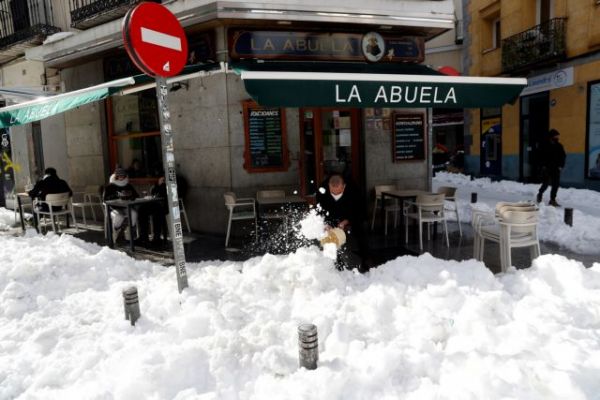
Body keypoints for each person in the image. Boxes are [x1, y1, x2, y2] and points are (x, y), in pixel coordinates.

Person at [316, 174, 368, 272]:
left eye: (339, 193)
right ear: (328, 186)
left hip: (349, 215)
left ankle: (362, 264)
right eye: (333, 193)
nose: (336, 195)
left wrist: (346, 221)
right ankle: (332, 265)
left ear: (344, 186)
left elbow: (359, 210)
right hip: (330, 217)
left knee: (359, 235)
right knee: (327, 239)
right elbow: (320, 210)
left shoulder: (354, 190)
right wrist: (326, 223)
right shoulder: (322, 191)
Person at [137, 173, 189, 248]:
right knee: (142, 209)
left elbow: (172, 194)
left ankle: (157, 238)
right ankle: (143, 236)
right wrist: (158, 184)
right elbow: (154, 192)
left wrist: (162, 186)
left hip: (169, 205)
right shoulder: (162, 183)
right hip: (157, 203)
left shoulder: (178, 181)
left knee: (157, 212)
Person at [103, 167, 139, 238]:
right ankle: (115, 230)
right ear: (116, 176)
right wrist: (116, 196)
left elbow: (136, 195)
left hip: (126, 207)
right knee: (119, 216)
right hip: (113, 208)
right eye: (119, 176)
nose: (121, 177)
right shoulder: (110, 186)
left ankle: (129, 231)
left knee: (134, 213)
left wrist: (130, 196)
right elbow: (105, 199)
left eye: (123, 176)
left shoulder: (128, 185)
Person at [536, 129, 566, 207]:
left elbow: (563, 156)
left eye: (558, 136)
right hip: (546, 168)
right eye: (556, 136)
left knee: (555, 184)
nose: (557, 138)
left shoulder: (559, 146)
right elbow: (540, 157)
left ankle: (552, 200)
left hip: (556, 168)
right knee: (546, 184)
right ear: (551, 136)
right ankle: (540, 193)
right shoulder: (544, 145)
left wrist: (561, 166)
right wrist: (543, 166)